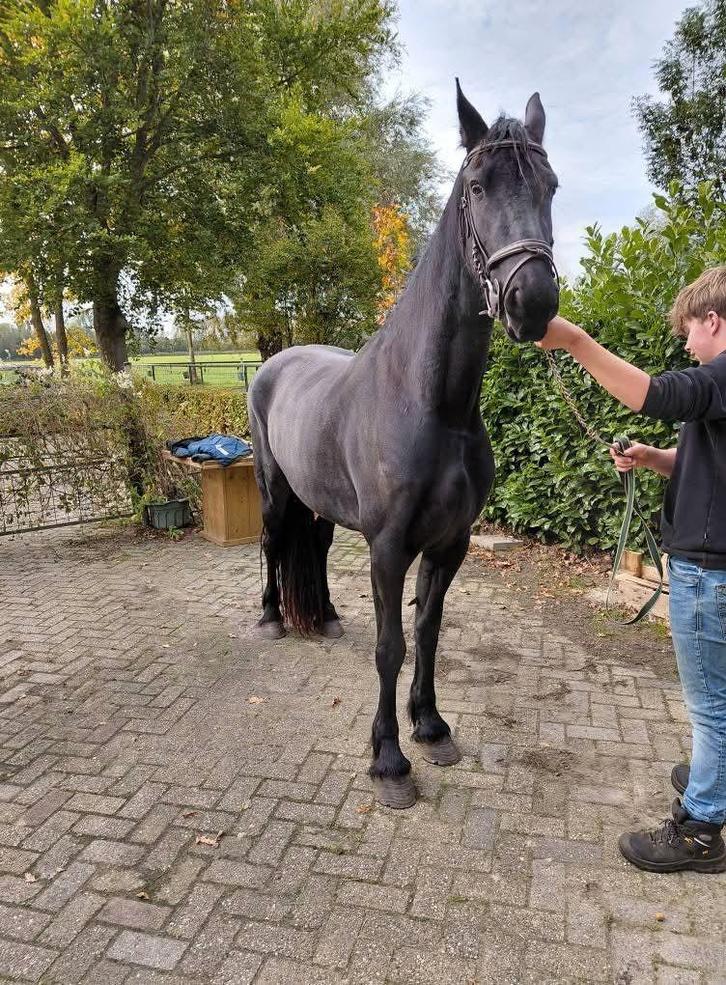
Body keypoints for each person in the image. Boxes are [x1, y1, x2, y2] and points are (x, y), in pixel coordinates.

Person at [536, 265, 726, 874]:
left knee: (712, 709)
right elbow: (710, 465)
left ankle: (700, 829)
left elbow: (659, 394)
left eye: (689, 333)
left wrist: (575, 341)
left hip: (710, 574)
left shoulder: (721, 375)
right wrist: (654, 458)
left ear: (713, 321)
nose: (686, 345)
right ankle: (712, 774)